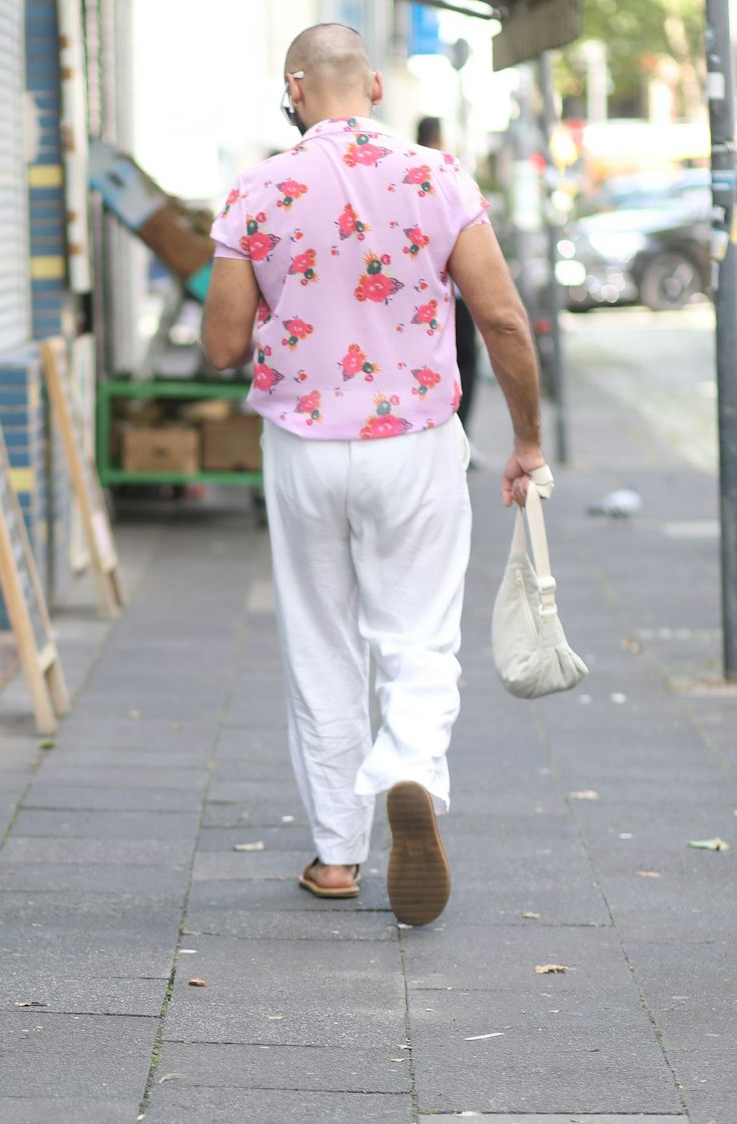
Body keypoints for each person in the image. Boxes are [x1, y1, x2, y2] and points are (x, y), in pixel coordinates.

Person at [201, 24, 545, 926]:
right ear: (378, 88)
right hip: (416, 439)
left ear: (295, 91)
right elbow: (503, 321)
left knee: (321, 642)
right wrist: (529, 441)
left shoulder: (256, 192)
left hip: (302, 446)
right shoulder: (438, 177)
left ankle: (337, 856)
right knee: (418, 633)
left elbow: (223, 344)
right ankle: (409, 770)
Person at [415, 115, 480, 432]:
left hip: (417, 295)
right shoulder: (447, 173)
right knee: (465, 362)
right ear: (439, 137)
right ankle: (458, 428)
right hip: (451, 292)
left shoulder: (402, 172)